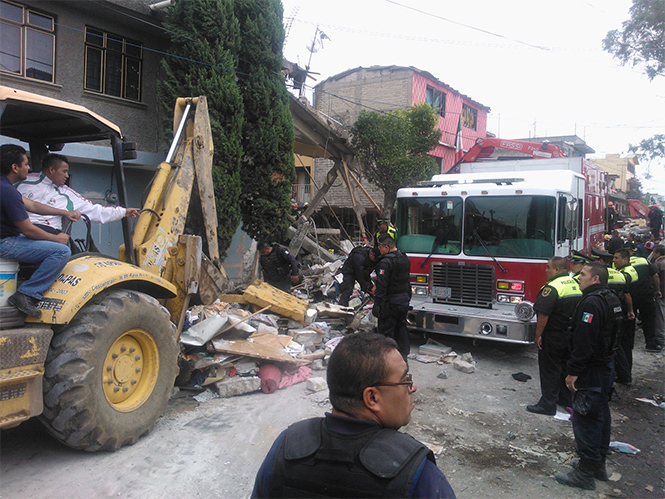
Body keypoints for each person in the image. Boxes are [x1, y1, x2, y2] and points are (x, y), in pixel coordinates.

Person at [251, 332, 456, 498]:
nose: (413, 387)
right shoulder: (418, 475)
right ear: (372, 398)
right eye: (405, 381)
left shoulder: (286, 446)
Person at [555, 263, 622, 491]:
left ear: (594, 279)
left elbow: (585, 341)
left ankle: (584, 473)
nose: (578, 278)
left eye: (583, 274)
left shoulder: (591, 303)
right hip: (605, 367)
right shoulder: (611, 298)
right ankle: (597, 465)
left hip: (591, 370)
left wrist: (573, 371)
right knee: (600, 415)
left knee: (585, 419)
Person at [0, 145, 79, 317]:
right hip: (4, 243)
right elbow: (29, 231)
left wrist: (64, 212)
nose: (28, 168)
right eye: (26, 164)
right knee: (61, 252)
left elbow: (33, 205)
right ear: (15, 167)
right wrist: (55, 238)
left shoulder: (5, 187)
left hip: (7, 237)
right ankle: (27, 293)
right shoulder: (7, 192)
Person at [16, 153, 139, 233]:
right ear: (52, 170)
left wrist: (123, 212)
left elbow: (96, 211)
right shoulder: (22, 182)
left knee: (63, 251)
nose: (67, 176)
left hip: (47, 236)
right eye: (64, 171)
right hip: (17, 232)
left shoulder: (68, 194)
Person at [527, 257, 582, 416]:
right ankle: (565, 399)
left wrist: (538, 335)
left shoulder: (551, 288)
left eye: (548, 267)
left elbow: (543, 313)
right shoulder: (575, 284)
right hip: (570, 335)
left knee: (550, 369)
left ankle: (547, 405)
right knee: (565, 367)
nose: (546, 270)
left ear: (557, 270)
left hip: (553, 335)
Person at [593, 248, 635, 384]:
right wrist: (630, 311)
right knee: (618, 346)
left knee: (603, 348)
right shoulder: (619, 275)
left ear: (600, 261)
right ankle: (624, 375)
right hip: (618, 313)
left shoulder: (595, 276)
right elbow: (627, 295)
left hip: (601, 315)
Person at [373, 234, 412, 359]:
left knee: (386, 332)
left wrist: (377, 304)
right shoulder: (405, 258)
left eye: (380, 247)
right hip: (404, 300)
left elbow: (381, 285)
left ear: (386, 247)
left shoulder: (385, 262)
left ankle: (387, 359)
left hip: (391, 303)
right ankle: (403, 355)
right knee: (401, 327)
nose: (379, 250)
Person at [626, 246, 662, 351]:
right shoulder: (643, 260)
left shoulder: (620, 263)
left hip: (631, 296)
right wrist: (657, 290)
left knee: (630, 319)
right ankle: (651, 343)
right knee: (649, 319)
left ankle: (629, 343)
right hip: (646, 294)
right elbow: (655, 276)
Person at [652, 245, 665, 349]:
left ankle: (661, 339)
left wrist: (657, 290)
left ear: (658, 254)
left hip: (662, 294)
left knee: (660, 316)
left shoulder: (657, 264)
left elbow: (655, 277)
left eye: (654, 252)